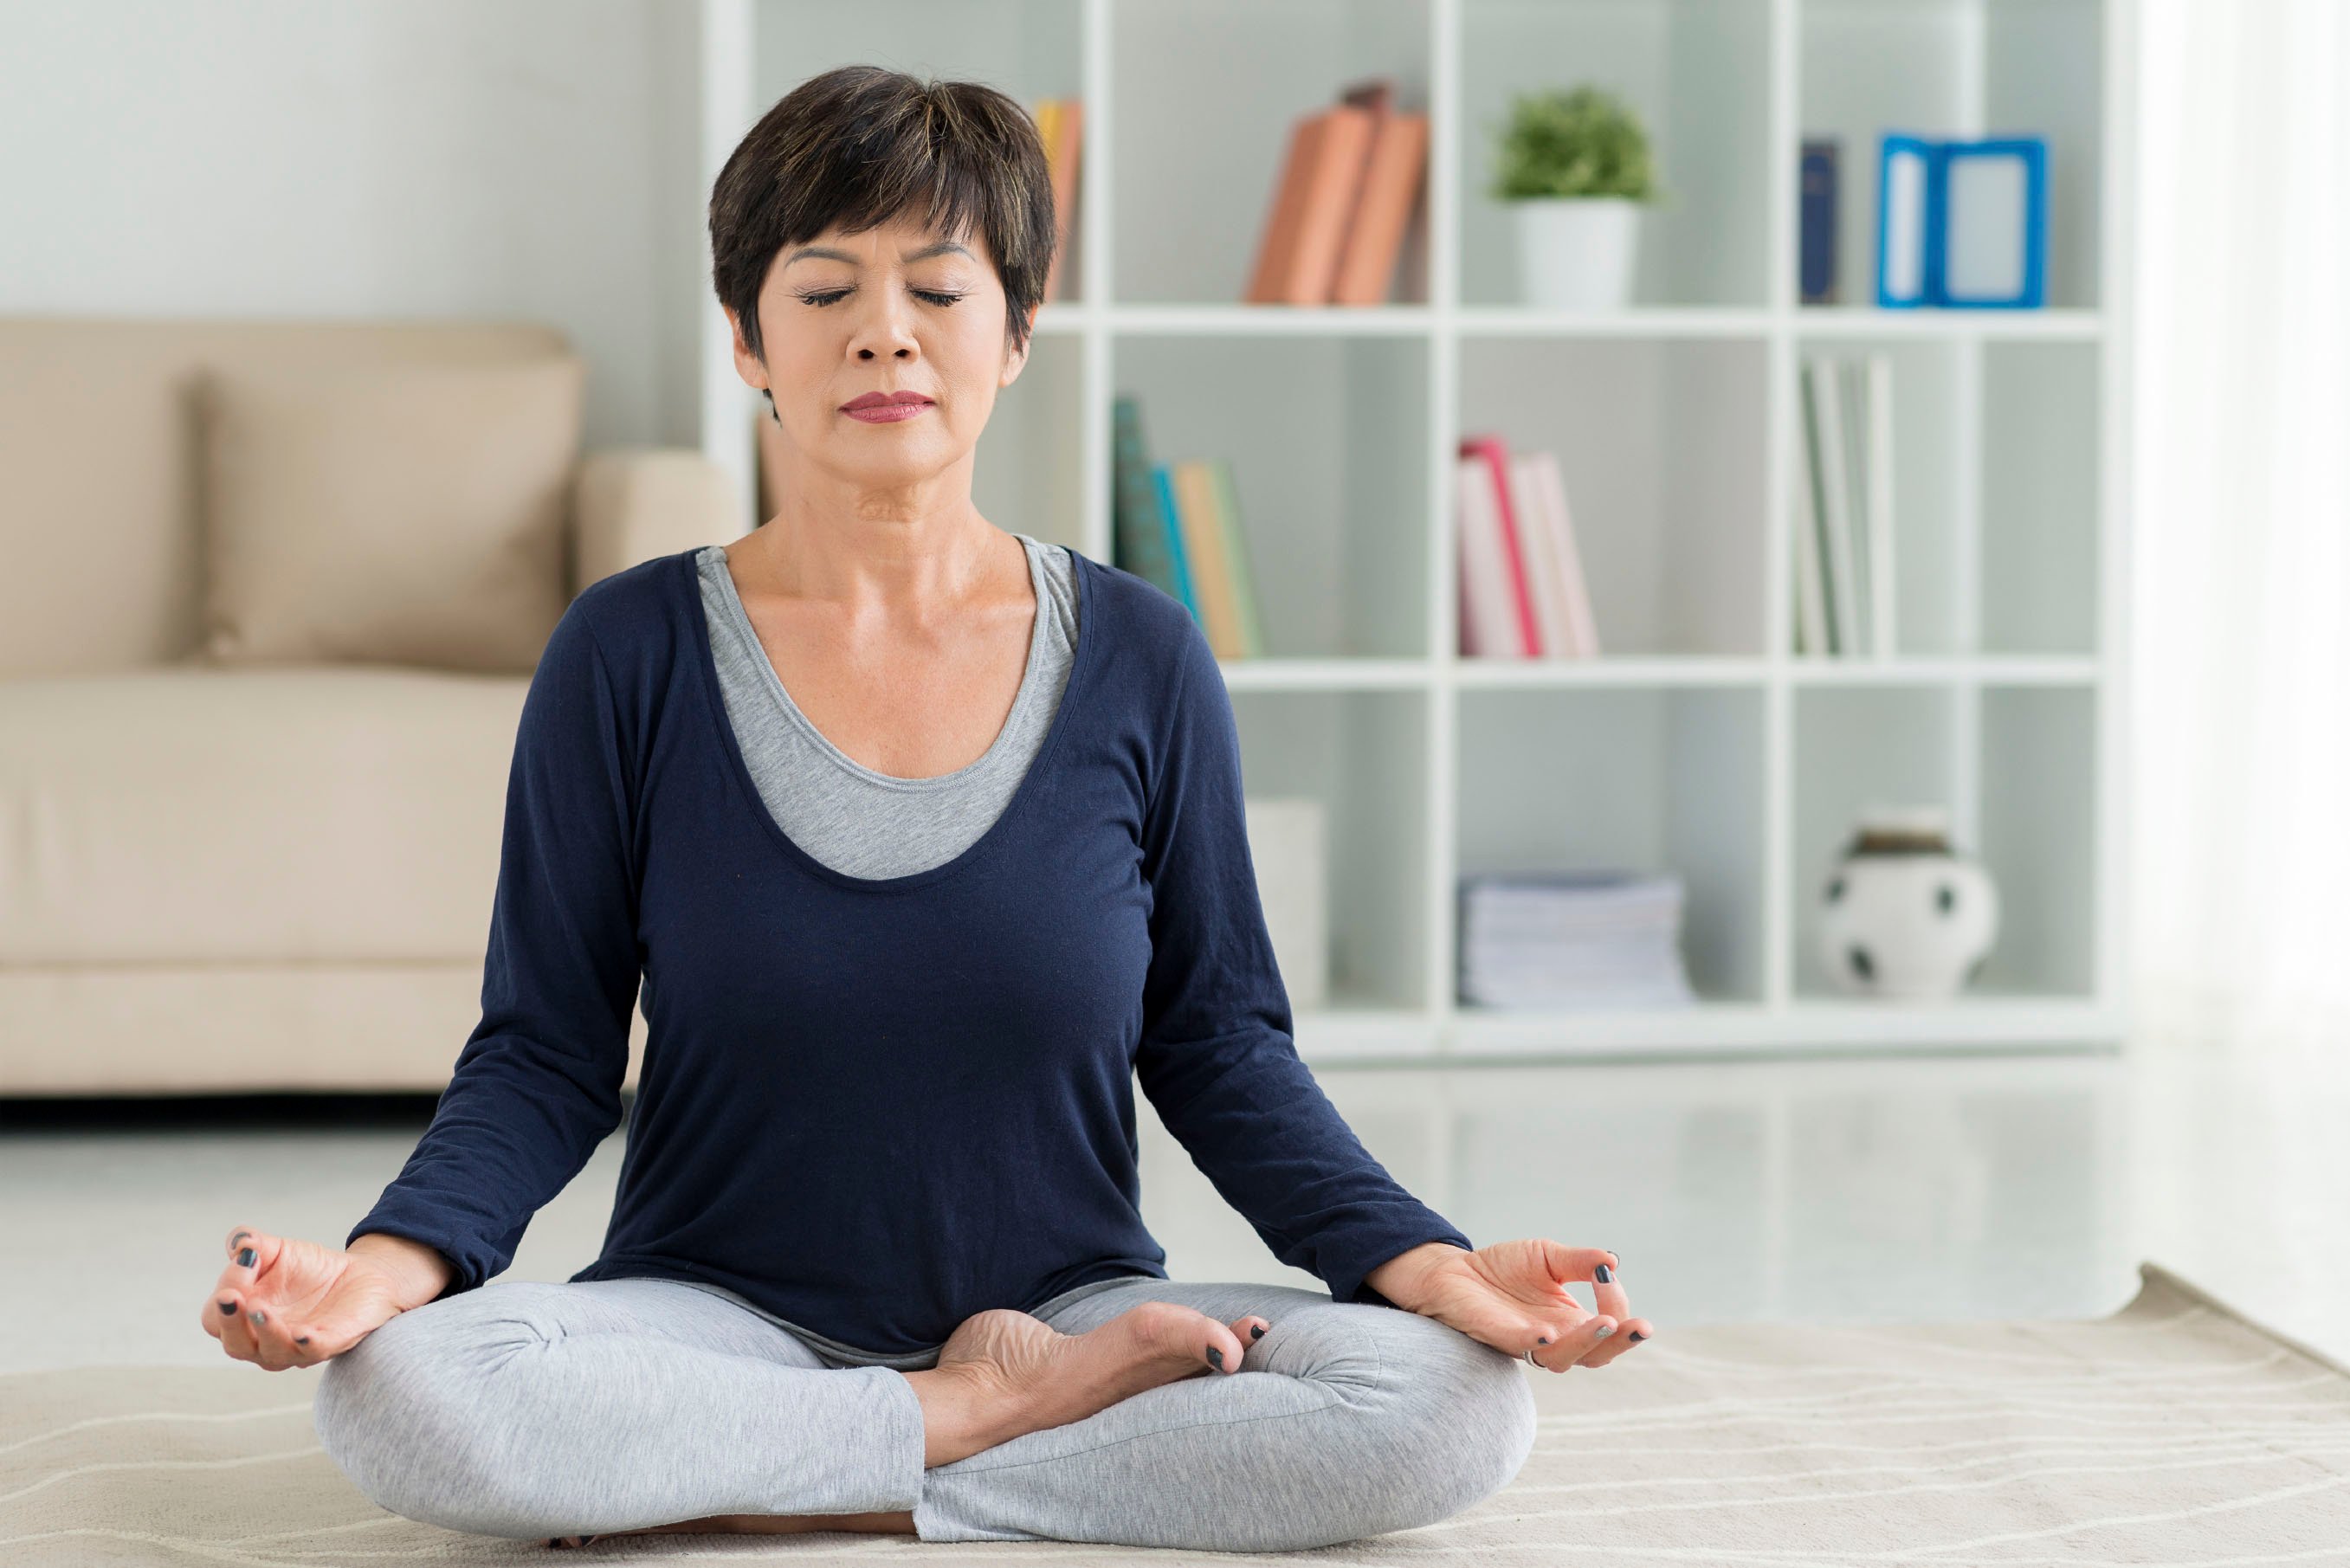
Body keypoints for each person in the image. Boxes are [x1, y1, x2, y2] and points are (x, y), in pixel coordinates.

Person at [197, 64, 1653, 1552]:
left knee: (1449, 1405)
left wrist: (1426, 1263)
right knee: (407, 1400)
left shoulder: (1140, 655)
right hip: (713, 1315)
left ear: (1016, 332)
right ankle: (973, 1420)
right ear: (747, 339)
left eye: (938, 291)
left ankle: (775, 1471)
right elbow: (549, 1051)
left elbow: (1218, 1046)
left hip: (1079, 1308)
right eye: (822, 288)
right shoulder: (626, 653)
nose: (881, 331)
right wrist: (388, 1267)